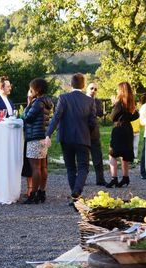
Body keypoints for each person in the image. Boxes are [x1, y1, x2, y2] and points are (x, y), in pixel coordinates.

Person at [45, 73, 97, 205]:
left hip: (66, 138)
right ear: (83, 85)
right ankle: (77, 192)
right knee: (83, 167)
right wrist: (87, 133)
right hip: (82, 137)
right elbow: (92, 122)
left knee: (70, 168)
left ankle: (75, 197)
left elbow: (56, 117)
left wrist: (48, 134)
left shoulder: (63, 98)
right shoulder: (90, 101)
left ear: (71, 84)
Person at [22, 78, 53, 204]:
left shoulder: (37, 103)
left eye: (31, 89)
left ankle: (33, 195)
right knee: (43, 166)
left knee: (35, 168)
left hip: (34, 137)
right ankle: (41, 192)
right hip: (43, 137)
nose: (29, 91)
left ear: (36, 90)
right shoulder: (47, 102)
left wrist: (28, 103)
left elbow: (27, 118)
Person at [107, 82, 139, 188]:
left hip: (119, 129)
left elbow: (112, 117)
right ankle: (125, 177)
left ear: (121, 90)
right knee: (125, 154)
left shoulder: (119, 102)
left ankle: (114, 179)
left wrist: (114, 104)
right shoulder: (131, 102)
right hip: (128, 129)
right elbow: (136, 115)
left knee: (112, 154)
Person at [86, 82, 106, 185]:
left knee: (98, 158)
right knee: (83, 159)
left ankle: (100, 180)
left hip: (94, 134)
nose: (93, 90)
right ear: (87, 89)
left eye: (95, 89)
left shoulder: (97, 101)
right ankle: (82, 179)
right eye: (91, 88)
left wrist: (93, 102)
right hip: (83, 134)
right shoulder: (82, 100)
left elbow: (100, 113)